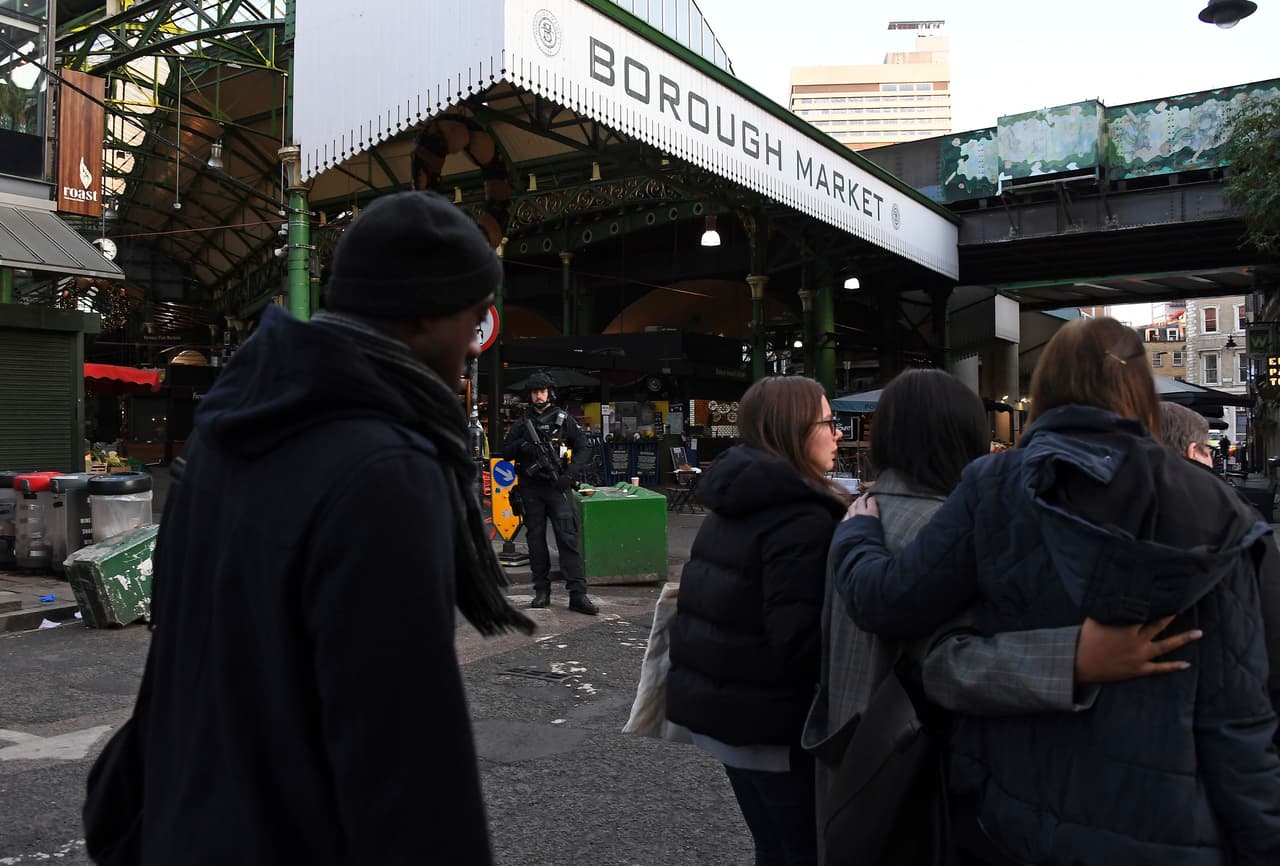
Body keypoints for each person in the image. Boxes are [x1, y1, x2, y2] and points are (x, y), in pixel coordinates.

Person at [126, 191, 534, 866]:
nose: (474, 339)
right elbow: (404, 758)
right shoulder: (386, 471)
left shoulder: (228, 432)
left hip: (187, 825)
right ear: (427, 312)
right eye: (473, 315)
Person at [833, 317, 1280, 865]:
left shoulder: (993, 487)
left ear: (1044, 390)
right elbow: (1240, 717)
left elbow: (887, 603)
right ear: (1141, 393)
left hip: (1011, 818)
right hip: (1170, 829)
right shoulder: (1223, 514)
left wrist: (857, 532)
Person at [805, 369, 1200, 862]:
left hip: (853, 756)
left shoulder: (861, 513)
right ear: (964, 434)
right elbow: (948, 666)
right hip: (921, 776)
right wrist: (1073, 660)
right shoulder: (944, 528)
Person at [666, 376, 848, 866]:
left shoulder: (731, 505)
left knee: (772, 846)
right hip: (779, 729)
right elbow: (802, 642)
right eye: (828, 423)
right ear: (792, 430)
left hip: (730, 724)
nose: (838, 435)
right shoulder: (802, 520)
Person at [1161, 401, 1280, 741]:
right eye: (1209, 451)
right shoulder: (1228, 513)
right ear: (1194, 450)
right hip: (1227, 708)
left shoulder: (1109, 505)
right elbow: (1272, 615)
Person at [502, 372, 597, 614]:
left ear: (550, 392)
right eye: (534, 392)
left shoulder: (564, 419)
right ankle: (541, 591)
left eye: (542, 391)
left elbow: (584, 448)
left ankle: (578, 594)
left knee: (567, 539)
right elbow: (505, 451)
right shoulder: (522, 423)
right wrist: (524, 446)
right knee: (535, 541)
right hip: (531, 488)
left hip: (558, 486)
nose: (538, 395)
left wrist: (570, 475)